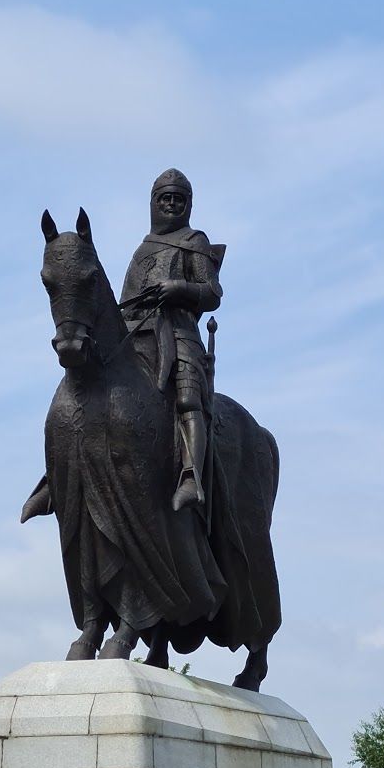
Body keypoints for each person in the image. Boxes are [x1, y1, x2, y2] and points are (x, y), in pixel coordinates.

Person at [120, 169, 224, 512]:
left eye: (178, 199)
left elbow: (212, 293)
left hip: (179, 330)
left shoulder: (194, 241)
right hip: (137, 331)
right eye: (165, 198)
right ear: (153, 201)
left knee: (188, 398)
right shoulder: (142, 249)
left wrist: (179, 288)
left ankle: (191, 476)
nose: (171, 204)